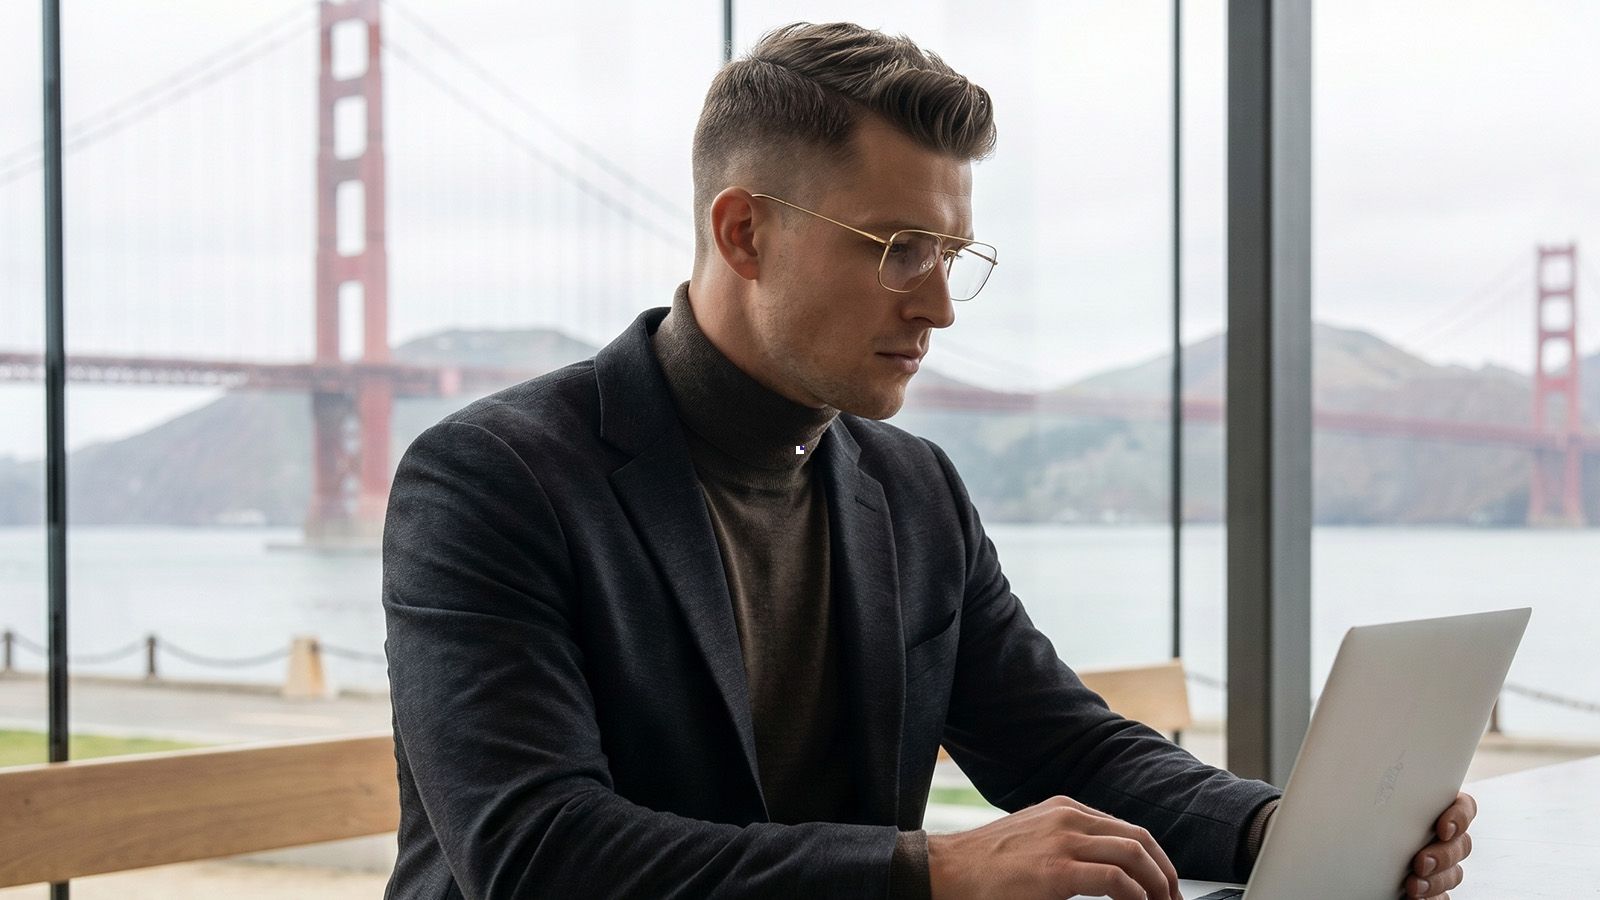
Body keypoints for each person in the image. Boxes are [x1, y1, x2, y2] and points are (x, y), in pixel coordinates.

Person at [381, 21, 1476, 900]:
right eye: (898, 248)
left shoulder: (912, 492)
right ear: (743, 233)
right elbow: (534, 855)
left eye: (953, 253)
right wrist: (935, 869)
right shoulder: (488, 480)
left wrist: (1280, 830)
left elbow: (1063, 746)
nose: (941, 306)